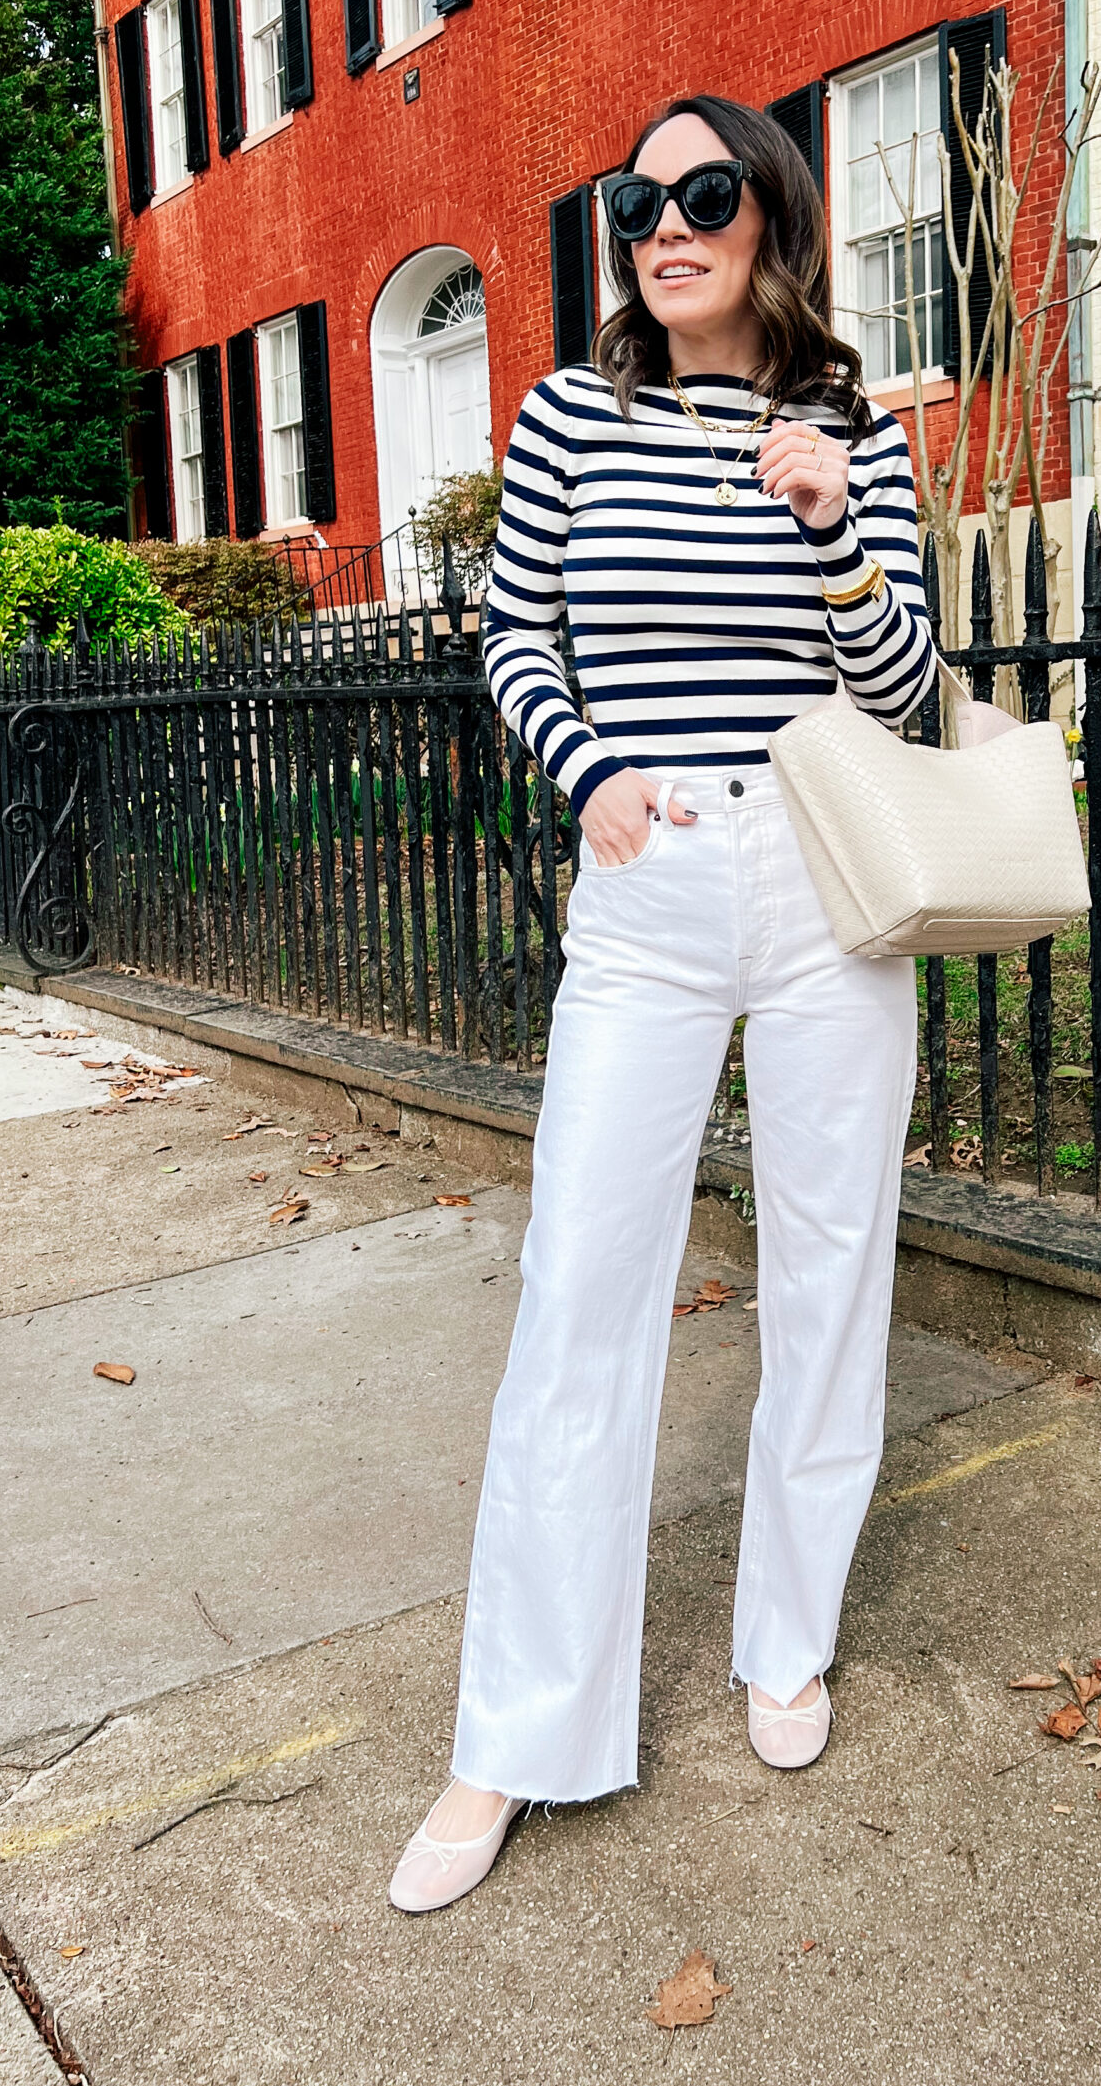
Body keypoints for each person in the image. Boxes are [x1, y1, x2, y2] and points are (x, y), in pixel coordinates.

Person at [389, 92, 937, 1913]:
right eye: (643, 199)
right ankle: (516, 1734)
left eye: (709, 193)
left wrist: (837, 530)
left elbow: (909, 691)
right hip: (647, 877)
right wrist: (584, 772)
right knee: (581, 1284)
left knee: (830, 1263)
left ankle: (789, 1637)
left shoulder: (855, 429)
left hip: (824, 879)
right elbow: (514, 634)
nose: (670, 224)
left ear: (772, 215)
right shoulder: (567, 418)